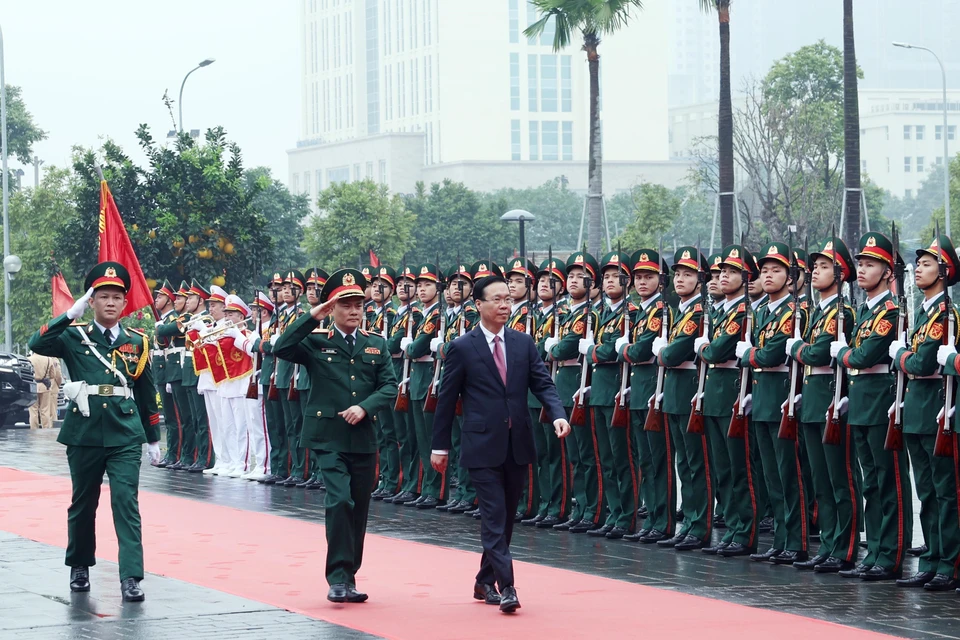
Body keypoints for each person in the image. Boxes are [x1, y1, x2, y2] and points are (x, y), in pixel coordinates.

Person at [430, 275, 570, 613]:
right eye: (497, 299)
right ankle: (506, 586)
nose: (505, 305)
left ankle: (482, 579)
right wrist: (440, 446)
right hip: (481, 444)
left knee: (506, 518)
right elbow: (446, 401)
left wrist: (557, 414)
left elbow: (543, 383)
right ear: (478, 304)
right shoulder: (462, 347)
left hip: (517, 442)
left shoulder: (523, 343)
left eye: (508, 299)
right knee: (494, 515)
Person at [28, 261, 161, 602]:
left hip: (125, 432)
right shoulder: (74, 336)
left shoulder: (138, 341)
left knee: (125, 503)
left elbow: (146, 389)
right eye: (103, 296)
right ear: (93, 301)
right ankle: (80, 566)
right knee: (83, 503)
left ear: (124, 302)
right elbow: (37, 343)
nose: (112, 303)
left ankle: (130, 576)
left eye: (118, 296)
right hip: (84, 431)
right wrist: (69, 314)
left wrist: (154, 437)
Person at [274, 268, 397, 603]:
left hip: (362, 438)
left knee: (358, 509)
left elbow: (389, 385)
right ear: (333, 308)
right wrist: (314, 314)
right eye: (345, 304)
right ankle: (338, 578)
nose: (354, 310)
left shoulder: (376, 344)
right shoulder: (316, 343)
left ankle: (350, 576)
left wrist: (366, 407)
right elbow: (281, 347)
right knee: (340, 500)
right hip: (328, 436)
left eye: (359, 304)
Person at [830, 232, 913, 581]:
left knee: (888, 480)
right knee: (871, 484)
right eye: (860, 264)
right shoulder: (865, 310)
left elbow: (863, 355)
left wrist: (842, 353)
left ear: (888, 272)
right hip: (862, 398)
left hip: (881, 400)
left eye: (870, 264)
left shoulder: (889, 311)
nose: (861, 270)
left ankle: (891, 553)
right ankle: (876, 549)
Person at [786, 238, 861, 573]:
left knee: (839, 479)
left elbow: (817, 354)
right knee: (821, 479)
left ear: (841, 273)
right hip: (813, 399)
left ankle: (844, 547)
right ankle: (829, 542)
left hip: (831, 400)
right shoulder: (818, 312)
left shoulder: (840, 313)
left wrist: (797, 348)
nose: (815, 271)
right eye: (814, 266)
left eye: (824, 266)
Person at [890, 234, 960, 590]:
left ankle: (950, 562)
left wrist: (899, 356)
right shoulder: (923, 312)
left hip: (936, 409)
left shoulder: (945, 314)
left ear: (945, 272)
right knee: (928, 492)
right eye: (917, 264)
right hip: (917, 407)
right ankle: (932, 558)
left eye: (927, 264)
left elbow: (921, 361)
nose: (918, 269)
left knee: (946, 491)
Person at [736, 242, 809, 565]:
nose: (767, 276)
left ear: (790, 277)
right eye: (764, 270)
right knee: (772, 477)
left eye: (776, 270)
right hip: (763, 396)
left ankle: (796, 540)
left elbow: (770, 354)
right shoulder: (763, 311)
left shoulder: (793, 312)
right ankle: (780, 538)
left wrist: (748, 355)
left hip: (781, 396)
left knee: (788, 474)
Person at [692, 244, 759, 557]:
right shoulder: (723, 312)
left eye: (731, 272)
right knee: (722, 469)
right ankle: (732, 528)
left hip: (732, 394)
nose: (723, 276)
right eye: (721, 272)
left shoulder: (743, 313)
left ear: (746, 277)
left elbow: (716, 352)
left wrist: (703, 348)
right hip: (716, 395)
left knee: (738, 469)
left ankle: (744, 532)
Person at [29, 350, 63, 429]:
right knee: (45, 410)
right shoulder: (48, 359)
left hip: (33, 387)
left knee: (33, 410)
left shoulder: (29, 359)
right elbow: (53, 375)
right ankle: (46, 429)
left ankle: (34, 429)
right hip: (45, 387)